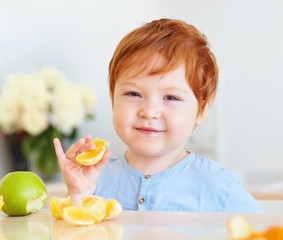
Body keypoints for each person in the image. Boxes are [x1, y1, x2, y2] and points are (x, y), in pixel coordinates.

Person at [53, 18, 261, 212]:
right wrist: (78, 194)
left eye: (170, 97)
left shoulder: (221, 186)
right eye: (133, 93)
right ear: (113, 99)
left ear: (201, 111)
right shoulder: (94, 179)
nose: (149, 111)